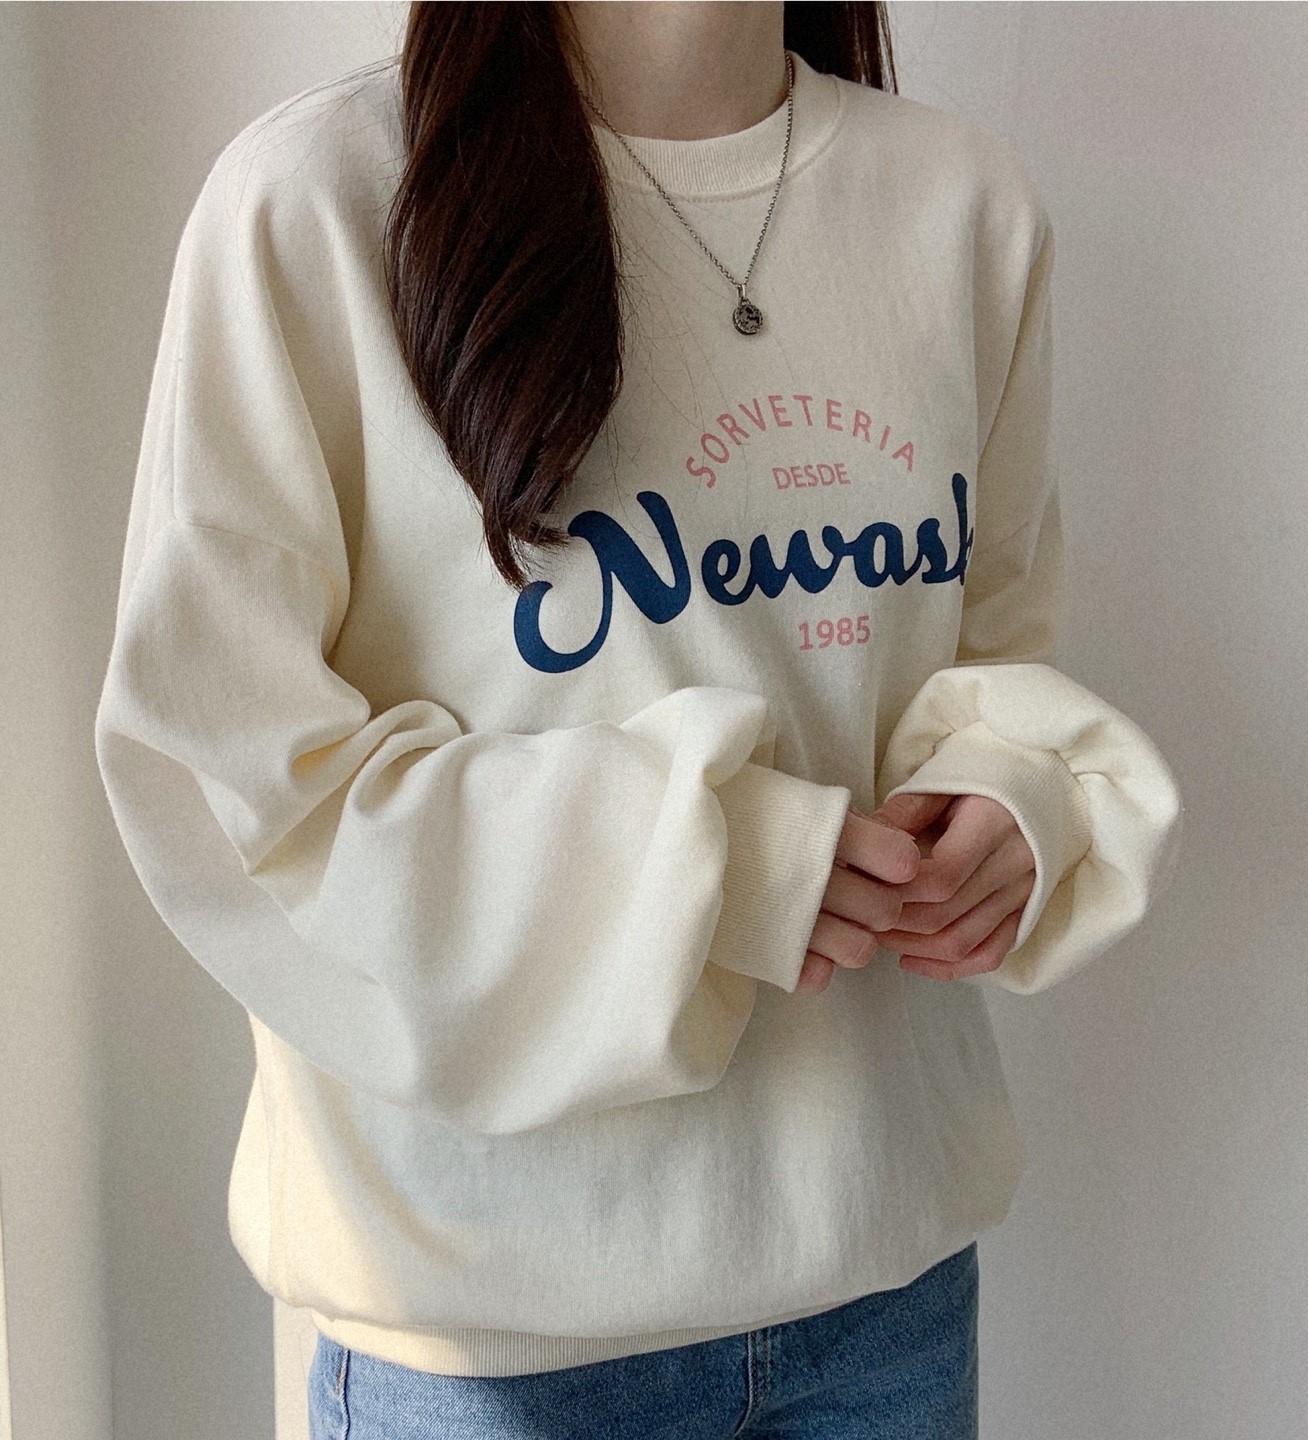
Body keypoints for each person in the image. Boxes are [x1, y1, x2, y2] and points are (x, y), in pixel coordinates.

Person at [93, 2, 1183, 1435]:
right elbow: (233, 777)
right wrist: (717, 862)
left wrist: (1010, 802)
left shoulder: (960, 205)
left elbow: (987, 651)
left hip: (887, 1294)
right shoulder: (318, 204)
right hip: (490, 1330)